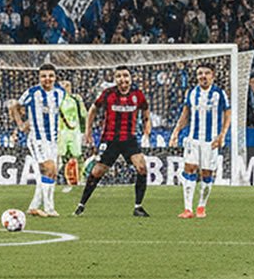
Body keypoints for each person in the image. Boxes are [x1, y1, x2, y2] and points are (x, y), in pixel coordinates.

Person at [76, 65, 151, 217]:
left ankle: (138, 207)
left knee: (142, 168)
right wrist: (88, 131)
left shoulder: (138, 94)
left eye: (125, 75)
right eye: (119, 76)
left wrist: (147, 130)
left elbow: (146, 112)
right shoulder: (108, 93)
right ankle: (81, 204)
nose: (122, 79)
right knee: (97, 172)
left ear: (131, 78)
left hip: (129, 139)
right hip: (110, 139)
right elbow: (93, 109)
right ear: (115, 78)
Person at [169, 63, 231, 218]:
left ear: (213, 75)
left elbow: (228, 114)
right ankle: (188, 209)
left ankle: (201, 207)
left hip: (211, 142)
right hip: (193, 140)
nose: (203, 76)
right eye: (200, 73)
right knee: (189, 169)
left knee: (207, 174)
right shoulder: (191, 93)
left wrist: (222, 134)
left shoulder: (220, 94)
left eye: (207, 73)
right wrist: (176, 132)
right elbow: (185, 115)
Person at [8, 62, 65, 217]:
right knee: (49, 168)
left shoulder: (60, 92)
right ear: (39, 78)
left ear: (55, 77)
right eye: (44, 76)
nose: (47, 79)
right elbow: (14, 105)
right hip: (37, 139)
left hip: (53, 139)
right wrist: (21, 124)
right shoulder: (32, 92)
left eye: (50, 76)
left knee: (51, 173)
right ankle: (49, 208)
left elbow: (60, 111)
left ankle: (33, 207)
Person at [57, 80, 87, 193]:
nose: (66, 88)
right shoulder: (57, 99)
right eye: (63, 86)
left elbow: (83, 114)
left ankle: (81, 180)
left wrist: (85, 131)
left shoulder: (76, 99)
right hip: (62, 132)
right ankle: (62, 182)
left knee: (77, 156)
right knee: (62, 157)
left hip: (75, 132)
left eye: (67, 86)